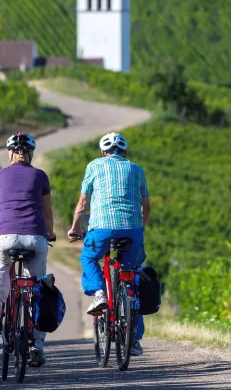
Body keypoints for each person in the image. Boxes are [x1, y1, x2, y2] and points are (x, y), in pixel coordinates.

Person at [0, 132, 56, 366]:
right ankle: (37, 345)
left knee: (0, 266)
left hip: (6, 238)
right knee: (38, 286)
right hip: (35, 240)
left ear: (10, 153)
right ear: (30, 153)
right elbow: (47, 212)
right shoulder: (41, 176)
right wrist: (49, 233)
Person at [67, 132, 150, 357]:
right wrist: (140, 229)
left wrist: (75, 228)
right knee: (132, 277)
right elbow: (146, 207)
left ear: (103, 152)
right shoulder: (137, 169)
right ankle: (134, 338)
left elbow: (83, 203)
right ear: (124, 152)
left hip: (101, 230)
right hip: (133, 231)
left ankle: (100, 294)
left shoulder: (94, 166)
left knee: (88, 257)